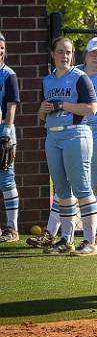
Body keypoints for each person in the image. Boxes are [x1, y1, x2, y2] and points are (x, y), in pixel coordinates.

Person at [39, 37, 97, 256]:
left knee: (82, 188)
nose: (65, 56)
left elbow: (92, 108)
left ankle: (91, 242)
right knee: (62, 191)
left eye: (69, 52)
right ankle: (67, 240)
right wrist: (44, 109)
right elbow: (41, 115)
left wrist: (62, 104)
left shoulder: (79, 77)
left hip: (76, 135)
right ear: (52, 54)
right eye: (61, 51)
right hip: (52, 138)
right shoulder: (47, 81)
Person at [0, 33, 21, 243]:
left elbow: (11, 104)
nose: (0, 51)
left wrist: (7, 129)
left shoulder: (8, 74)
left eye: (2, 48)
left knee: (6, 180)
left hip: (3, 131)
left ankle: (12, 229)